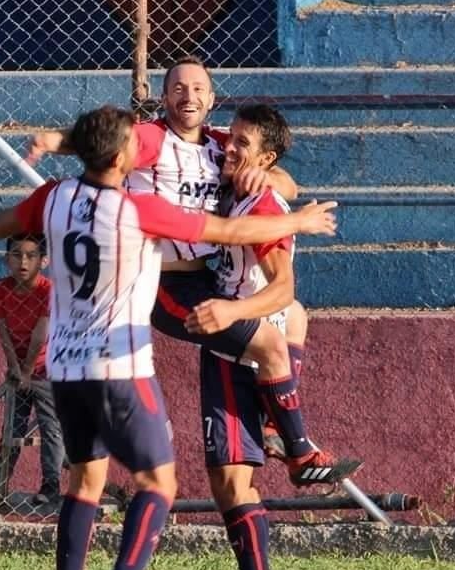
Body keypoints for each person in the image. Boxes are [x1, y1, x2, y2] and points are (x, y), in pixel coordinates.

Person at [0, 105, 339, 570]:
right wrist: (301, 223)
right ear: (124, 157)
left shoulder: (54, 198)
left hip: (64, 365)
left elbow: (5, 219)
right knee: (159, 482)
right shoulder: (138, 211)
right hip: (119, 363)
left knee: (84, 482)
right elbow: (228, 232)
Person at [26, 57, 355, 487]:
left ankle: (273, 430)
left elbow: (287, 180)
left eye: (199, 89)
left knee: (293, 315)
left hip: (207, 277)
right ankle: (299, 453)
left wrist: (270, 179)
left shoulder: (221, 145)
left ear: (212, 99)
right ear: (164, 98)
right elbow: (104, 142)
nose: (189, 95)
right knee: (270, 343)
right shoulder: (152, 139)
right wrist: (54, 140)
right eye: (178, 88)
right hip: (164, 282)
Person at [187, 104, 357, 570]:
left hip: (242, 341)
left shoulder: (263, 207)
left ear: (266, 158)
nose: (230, 148)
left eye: (243, 144)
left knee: (234, 484)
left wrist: (232, 312)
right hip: (231, 348)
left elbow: (284, 290)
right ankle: (278, 426)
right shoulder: (235, 180)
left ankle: (299, 449)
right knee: (229, 488)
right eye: (232, 139)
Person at [0, 233, 66, 507]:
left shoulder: (48, 290)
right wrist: (14, 367)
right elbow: (4, 330)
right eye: (17, 254)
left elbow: (40, 333)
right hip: (17, 369)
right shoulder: (1, 288)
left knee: (50, 428)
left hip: (46, 368)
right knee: (12, 428)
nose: (23, 261)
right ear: (7, 259)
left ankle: (51, 484)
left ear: (43, 261)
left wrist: (28, 370)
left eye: (31, 256)